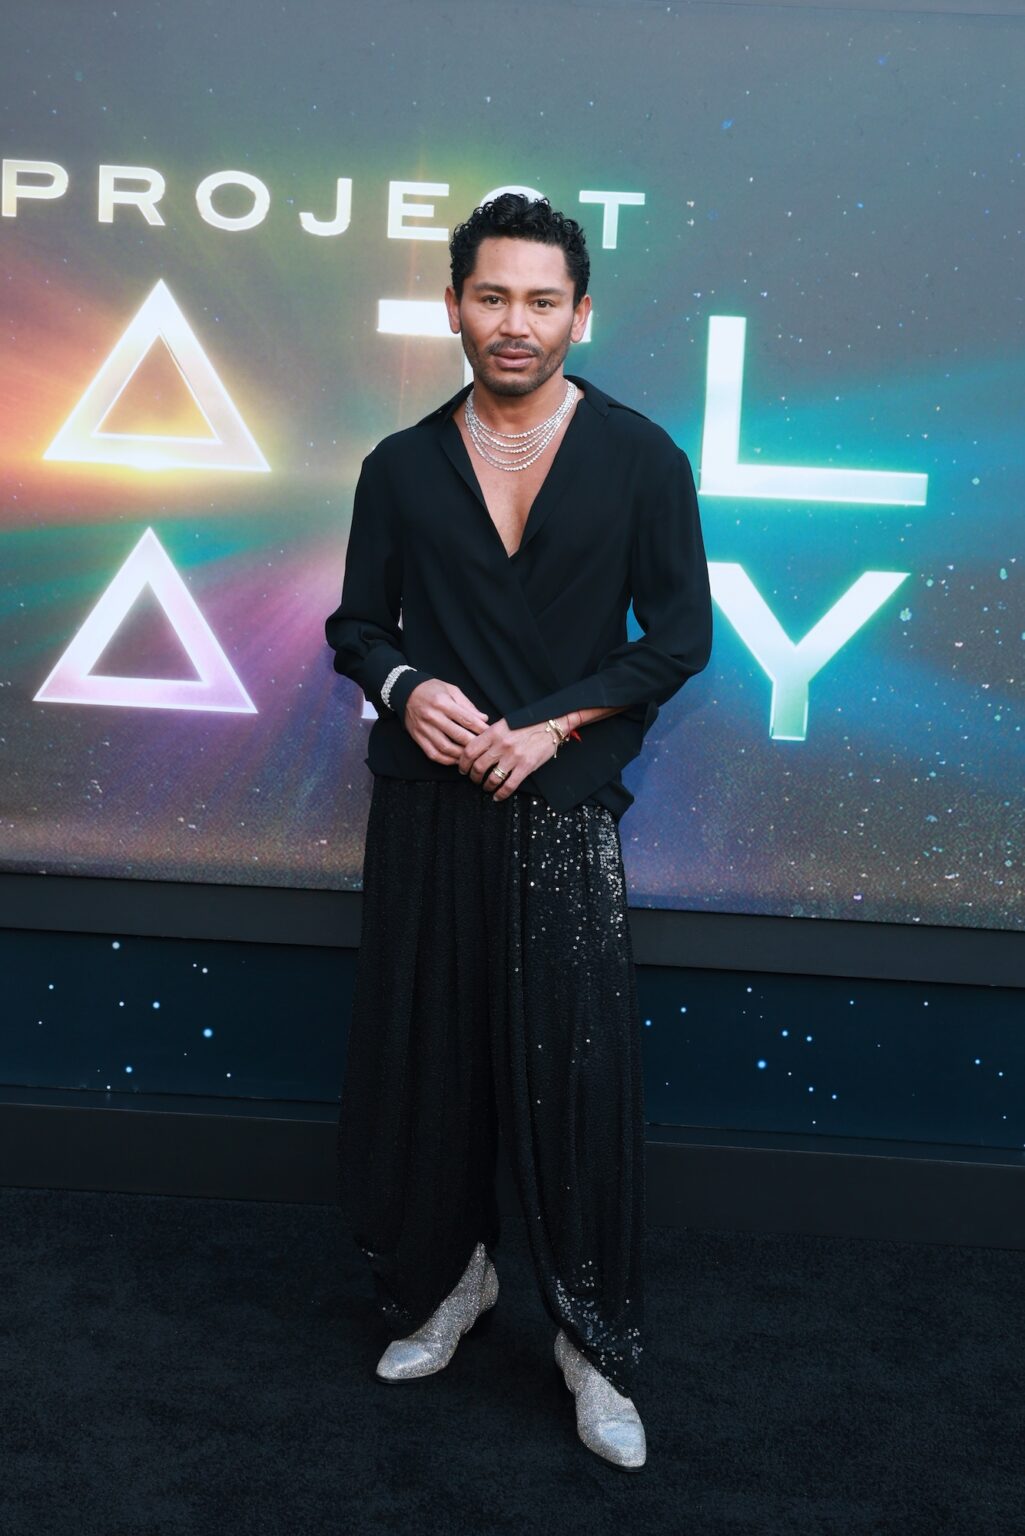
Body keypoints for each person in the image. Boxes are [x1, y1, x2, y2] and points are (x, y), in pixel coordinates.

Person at [324, 193, 712, 1470]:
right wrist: (405, 688)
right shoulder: (398, 464)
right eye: (491, 296)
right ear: (454, 307)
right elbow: (355, 628)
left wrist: (546, 731)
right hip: (428, 805)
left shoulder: (642, 459)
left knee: (574, 1082)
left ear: (577, 313)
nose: (514, 323)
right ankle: (449, 1283)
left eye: (541, 300)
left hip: (554, 806)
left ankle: (592, 1345)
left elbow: (675, 639)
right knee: (430, 1062)